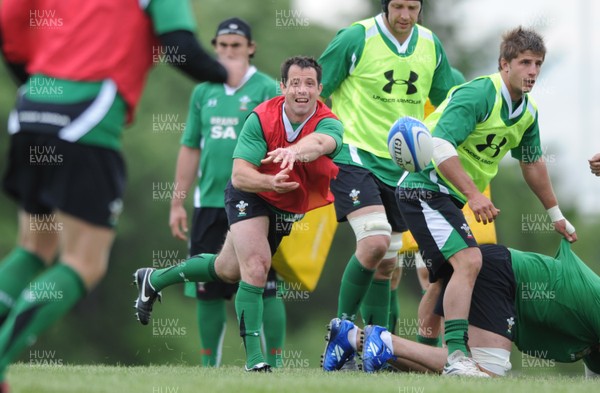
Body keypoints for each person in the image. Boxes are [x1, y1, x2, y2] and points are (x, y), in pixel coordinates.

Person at [0, 0, 233, 390]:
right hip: (86, 117)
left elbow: (8, 24)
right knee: (83, 263)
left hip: (31, 110)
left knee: (34, 247)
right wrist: (230, 75)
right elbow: (180, 47)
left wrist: (35, 85)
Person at [132, 56, 344, 372]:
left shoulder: (329, 121)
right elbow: (240, 176)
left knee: (227, 269)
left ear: (319, 89)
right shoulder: (261, 118)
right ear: (283, 86)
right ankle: (255, 362)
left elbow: (321, 143)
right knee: (257, 267)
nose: (302, 90)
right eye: (295, 83)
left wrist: (294, 151)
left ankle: (154, 278)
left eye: (309, 83)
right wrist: (270, 181)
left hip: (285, 205)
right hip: (251, 194)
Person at [394, 26, 577, 376]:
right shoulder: (479, 94)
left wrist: (555, 214)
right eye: (525, 62)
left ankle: (418, 358)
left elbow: (532, 162)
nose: (533, 71)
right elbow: (439, 145)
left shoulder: (527, 113)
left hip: (446, 195)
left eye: (538, 64)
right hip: (424, 187)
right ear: (504, 64)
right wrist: (474, 194)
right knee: (469, 261)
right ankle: (458, 357)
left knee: (442, 278)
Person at [318, 0, 455, 369]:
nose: (405, 15)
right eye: (398, 6)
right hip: (355, 155)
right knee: (375, 240)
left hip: (404, 168)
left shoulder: (430, 45)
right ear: (385, 6)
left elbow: (451, 102)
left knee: (387, 267)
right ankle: (340, 331)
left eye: (413, 7)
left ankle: (376, 351)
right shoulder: (355, 38)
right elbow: (316, 90)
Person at [168, 17, 285, 368]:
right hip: (209, 203)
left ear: (250, 48)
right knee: (208, 289)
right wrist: (177, 202)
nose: (229, 52)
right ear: (214, 48)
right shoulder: (203, 91)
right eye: (223, 46)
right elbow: (190, 147)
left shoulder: (266, 89)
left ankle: (274, 363)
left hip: (256, 203)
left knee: (265, 283)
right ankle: (209, 367)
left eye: (237, 46)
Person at [325, 239, 600, 378]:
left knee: (456, 370)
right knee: (481, 375)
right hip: (501, 277)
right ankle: (385, 341)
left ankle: (353, 338)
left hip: (497, 272)